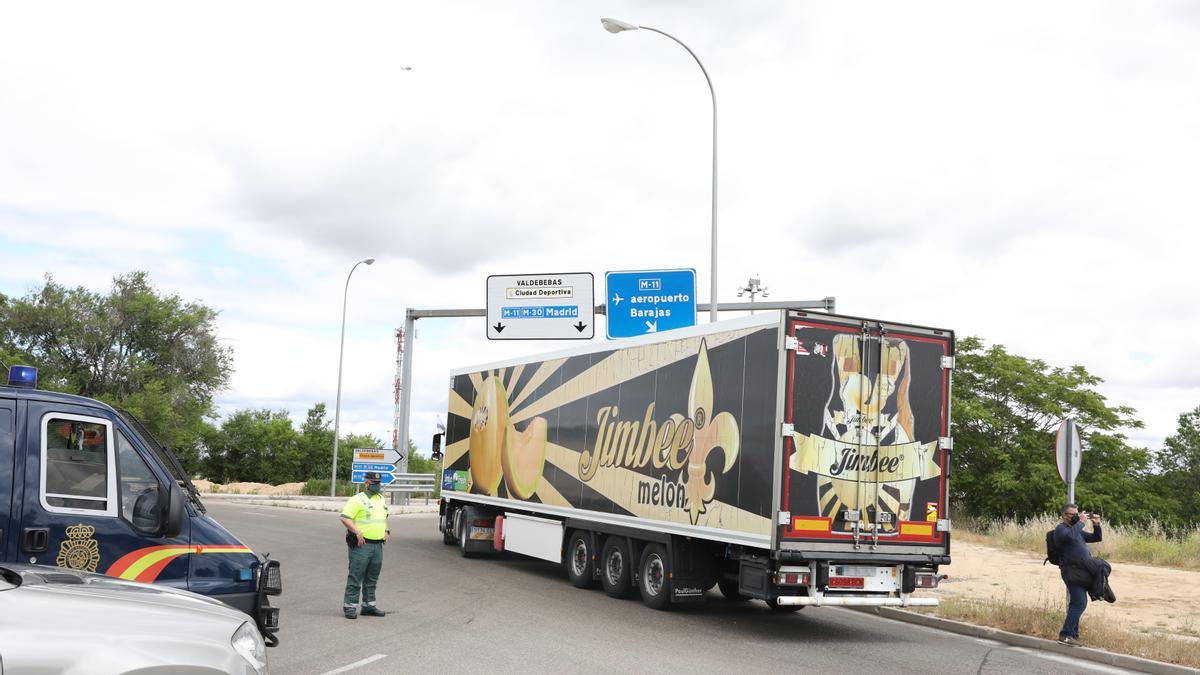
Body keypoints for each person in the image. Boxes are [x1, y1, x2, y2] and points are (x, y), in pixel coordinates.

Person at [339, 472, 390, 619]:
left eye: (379, 482)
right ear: (366, 483)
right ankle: (350, 606)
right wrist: (356, 532)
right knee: (356, 575)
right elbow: (344, 518)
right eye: (374, 482)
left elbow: (384, 517)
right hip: (362, 545)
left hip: (377, 545)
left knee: (372, 578)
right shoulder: (357, 500)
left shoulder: (381, 499)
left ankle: (369, 606)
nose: (377, 485)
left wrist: (386, 530)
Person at [1053, 503, 1101, 646]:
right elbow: (1069, 537)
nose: (1075, 516)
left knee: (1077, 603)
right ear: (1064, 515)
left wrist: (1097, 525)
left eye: (1077, 513)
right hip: (1071, 572)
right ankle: (1066, 634)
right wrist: (1080, 522)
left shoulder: (1077, 530)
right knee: (1080, 603)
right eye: (1071, 514)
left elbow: (1095, 538)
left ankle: (1073, 635)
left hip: (1081, 571)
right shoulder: (1061, 529)